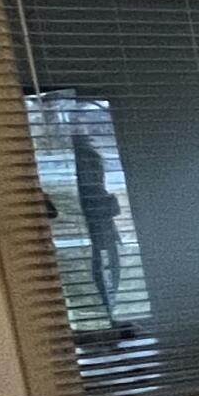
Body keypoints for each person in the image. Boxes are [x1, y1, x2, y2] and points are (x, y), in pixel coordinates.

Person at [70, 131, 121, 322]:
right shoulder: (85, 161)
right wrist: (109, 204)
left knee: (110, 268)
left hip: (102, 226)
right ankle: (107, 312)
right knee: (103, 268)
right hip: (97, 226)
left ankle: (110, 311)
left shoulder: (88, 158)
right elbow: (93, 195)